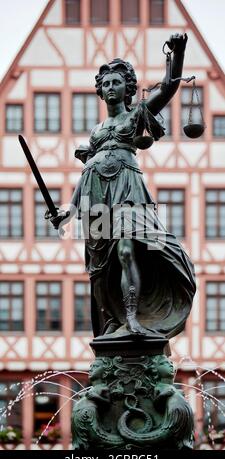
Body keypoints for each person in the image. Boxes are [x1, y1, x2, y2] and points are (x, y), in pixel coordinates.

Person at [48, 33, 196, 340]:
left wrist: (177, 54)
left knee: (128, 249)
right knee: (101, 267)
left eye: (116, 82)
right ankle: (113, 320)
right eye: (105, 84)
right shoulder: (96, 131)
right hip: (96, 196)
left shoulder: (136, 113)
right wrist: (67, 212)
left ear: (127, 87)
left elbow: (169, 87)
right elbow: (86, 174)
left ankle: (133, 318)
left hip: (128, 190)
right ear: (100, 92)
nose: (110, 87)